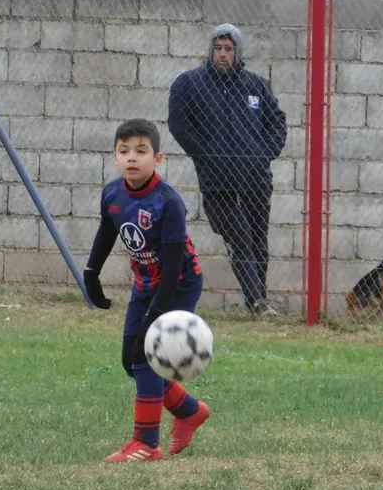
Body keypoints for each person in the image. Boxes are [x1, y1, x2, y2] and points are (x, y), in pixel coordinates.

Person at [83, 119, 211, 463]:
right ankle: (189, 412)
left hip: (179, 283)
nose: (131, 158)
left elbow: (171, 269)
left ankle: (147, 443)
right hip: (145, 283)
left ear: (158, 159)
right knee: (132, 361)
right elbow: (106, 232)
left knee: (147, 358)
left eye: (141, 151)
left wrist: (151, 322)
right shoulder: (112, 193)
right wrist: (91, 273)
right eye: (124, 151)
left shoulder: (168, 202)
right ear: (114, 157)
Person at [168, 23, 287, 316]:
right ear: (210, 51)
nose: (222, 55)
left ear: (238, 52)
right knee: (240, 236)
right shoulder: (191, 83)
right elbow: (179, 124)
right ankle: (257, 302)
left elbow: (277, 123)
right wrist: (206, 155)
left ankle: (259, 299)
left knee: (259, 238)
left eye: (229, 49)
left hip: (255, 178)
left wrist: (263, 155)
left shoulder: (256, 86)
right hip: (217, 182)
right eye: (218, 48)